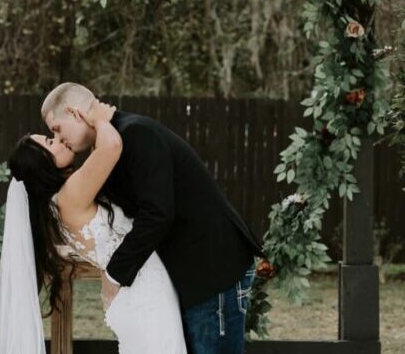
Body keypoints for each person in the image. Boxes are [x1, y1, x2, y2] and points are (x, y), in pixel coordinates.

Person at [42, 83, 265, 353]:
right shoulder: (110, 143)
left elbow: (157, 214)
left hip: (211, 268)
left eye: (56, 128)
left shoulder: (136, 134)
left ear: (74, 112)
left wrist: (114, 275)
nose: (58, 137)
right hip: (190, 276)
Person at [1, 100, 187, 353]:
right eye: (49, 141)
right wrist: (100, 116)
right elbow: (111, 146)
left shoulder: (61, 201)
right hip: (144, 294)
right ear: (41, 164)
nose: (58, 140)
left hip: (137, 292)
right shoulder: (70, 195)